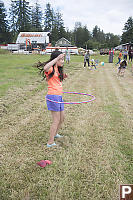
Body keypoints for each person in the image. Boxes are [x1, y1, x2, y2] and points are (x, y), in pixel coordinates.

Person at [34, 50, 67, 147]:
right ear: (55, 60)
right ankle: (50, 142)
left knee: (62, 118)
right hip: (53, 96)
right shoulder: (51, 68)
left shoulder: (57, 69)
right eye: (61, 59)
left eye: (63, 59)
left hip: (59, 96)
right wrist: (56, 58)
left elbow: (55, 81)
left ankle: (55, 134)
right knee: (56, 120)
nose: (63, 61)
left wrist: (63, 77)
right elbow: (45, 67)